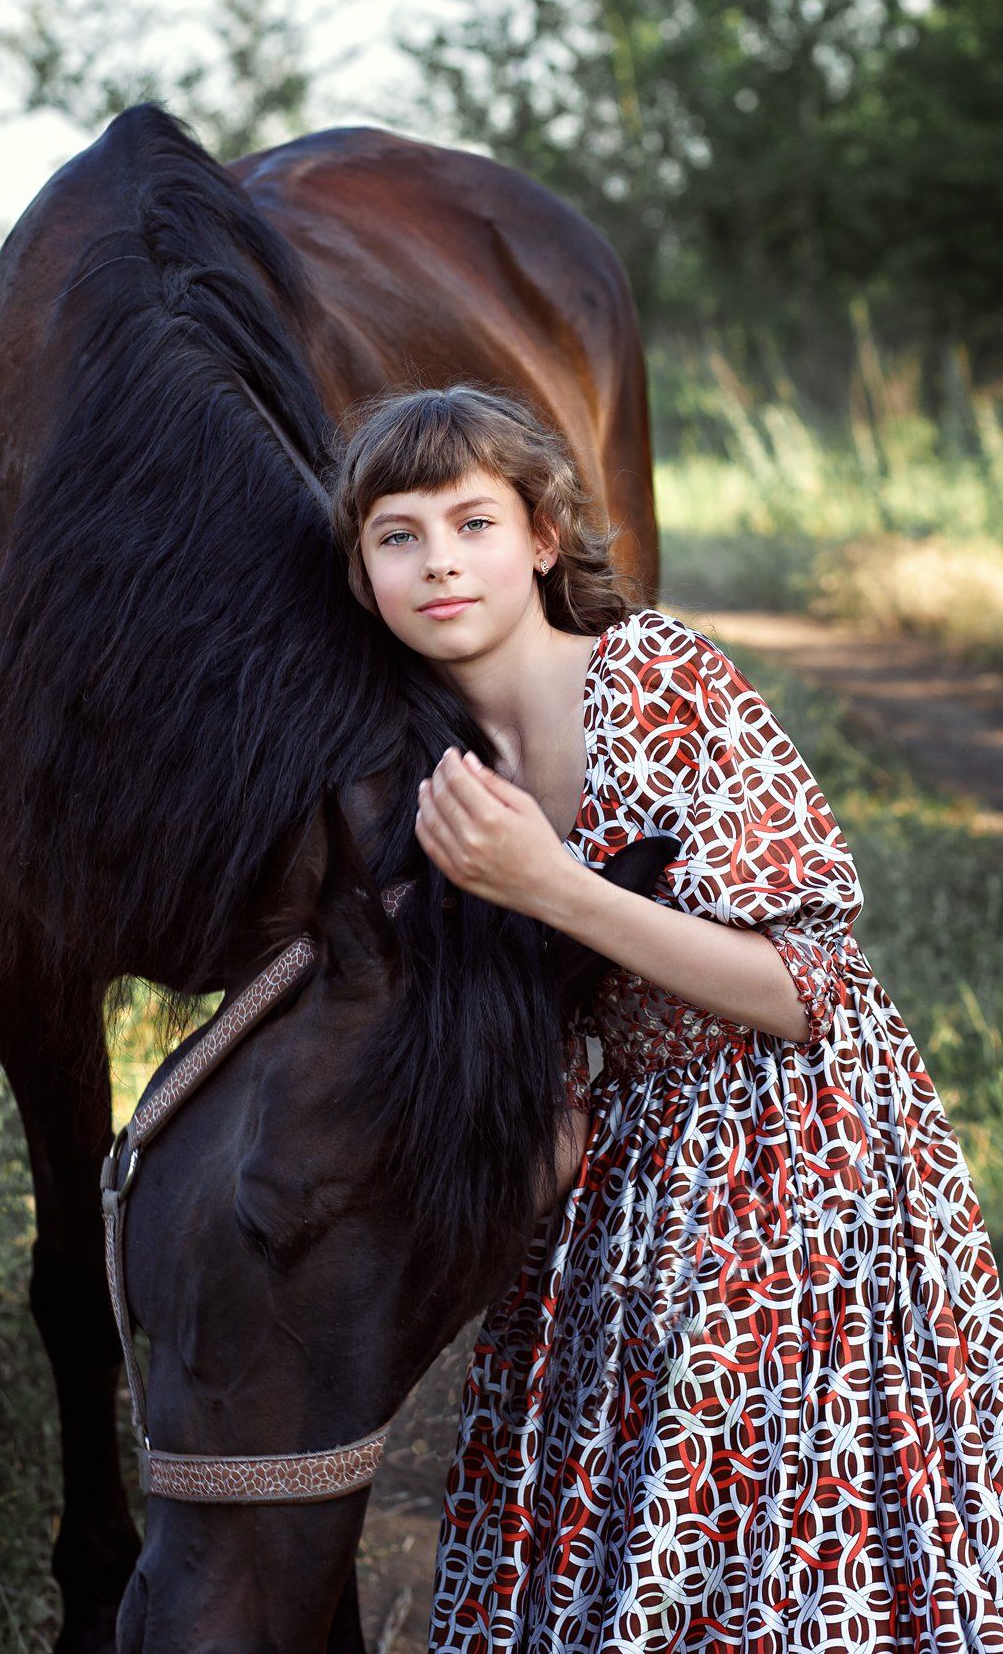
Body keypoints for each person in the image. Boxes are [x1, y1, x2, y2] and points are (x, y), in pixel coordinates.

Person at [328, 382, 1003, 1651]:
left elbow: (809, 990)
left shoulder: (660, 677)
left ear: (540, 537)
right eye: (397, 536)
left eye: (472, 521)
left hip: (792, 1154)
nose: (440, 562)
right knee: (616, 1539)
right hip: (612, 1182)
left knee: (762, 1535)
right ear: (363, 577)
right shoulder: (426, 764)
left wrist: (553, 887)